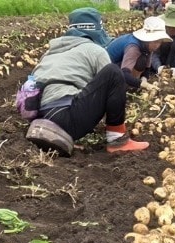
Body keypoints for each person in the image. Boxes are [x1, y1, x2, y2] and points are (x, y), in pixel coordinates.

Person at [26, 8, 148, 155]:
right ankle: (118, 140)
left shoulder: (48, 54)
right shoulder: (95, 50)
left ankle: (65, 136)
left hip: (42, 118)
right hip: (68, 117)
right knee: (114, 73)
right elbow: (112, 88)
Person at [105, 15, 171, 92]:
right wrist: (141, 84)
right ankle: (123, 88)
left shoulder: (148, 46)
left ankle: (131, 84)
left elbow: (147, 69)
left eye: (160, 42)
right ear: (147, 39)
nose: (157, 45)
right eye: (155, 41)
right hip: (108, 71)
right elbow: (124, 74)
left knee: (143, 60)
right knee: (141, 61)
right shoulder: (133, 47)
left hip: (119, 66)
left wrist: (144, 80)